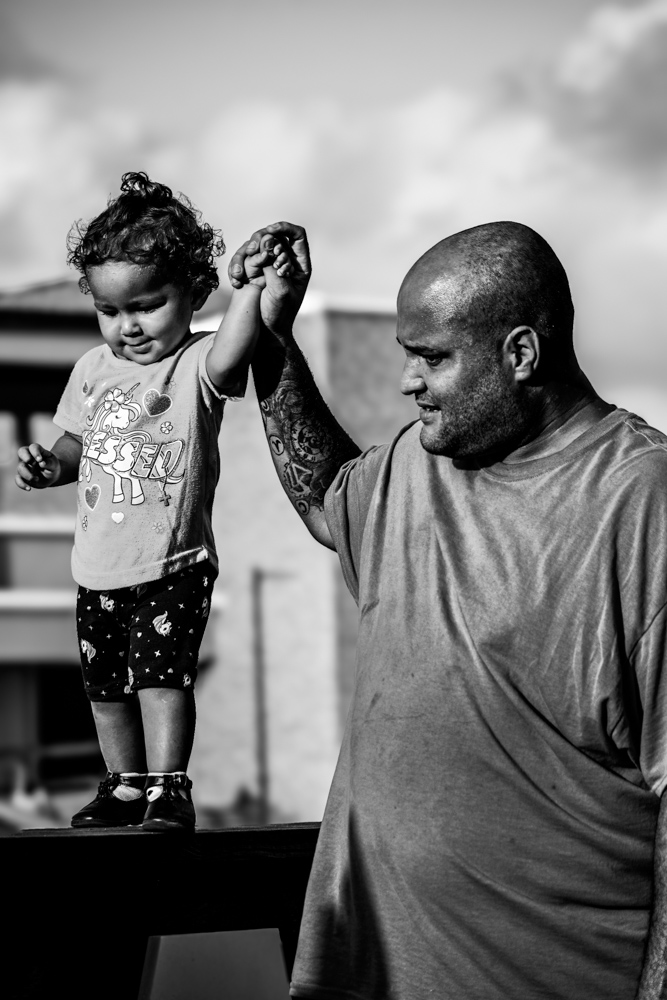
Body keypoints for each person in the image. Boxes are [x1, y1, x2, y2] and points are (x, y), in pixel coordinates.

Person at [229, 219, 667, 998]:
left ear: (520, 354)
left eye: (430, 357)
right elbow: (328, 506)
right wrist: (272, 342)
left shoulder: (638, 500)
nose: (408, 382)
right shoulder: (416, 462)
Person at [14, 172, 291, 831]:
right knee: (105, 688)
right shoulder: (91, 371)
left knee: (159, 680)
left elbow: (232, 354)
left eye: (146, 306)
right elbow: (74, 448)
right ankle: (124, 785)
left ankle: (169, 787)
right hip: (98, 567)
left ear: (194, 293)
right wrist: (45, 465)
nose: (127, 326)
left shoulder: (195, 364)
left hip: (173, 563)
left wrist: (250, 289)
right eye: (110, 311)